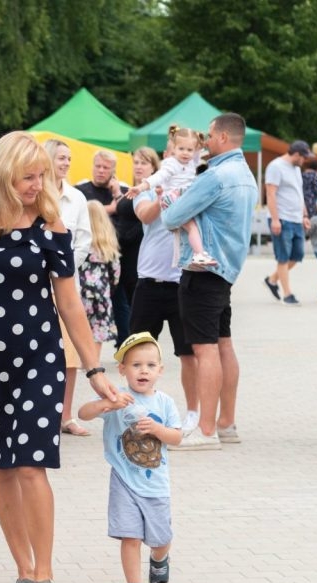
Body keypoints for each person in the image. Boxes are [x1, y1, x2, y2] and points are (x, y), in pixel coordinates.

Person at [0, 131, 121, 583]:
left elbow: (70, 304)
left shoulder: (49, 223)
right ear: (4, 173)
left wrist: (95, 368)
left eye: (41, 175)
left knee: (30, 464)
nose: (38, 183)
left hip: (38, 359)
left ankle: (45, 577)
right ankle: (22, 571)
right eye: (29, 176)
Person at [161, 113, 258, 451]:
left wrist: (172, 203)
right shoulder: (246, 175)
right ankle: (226, 423)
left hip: (203, 272)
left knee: (205, 351)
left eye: (209, 134)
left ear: (222, 137)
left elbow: (172, 216)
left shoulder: (216, 176)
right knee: (223, 344)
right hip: (226, 271)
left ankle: (204, 431)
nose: (204, 140)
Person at [78, 332, 182, 583]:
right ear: (122, 370)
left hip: (156, 485)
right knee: (130, 536)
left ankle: (160, 559)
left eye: (149, 365)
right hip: (123, 480)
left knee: (161, 539)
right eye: (135, 365)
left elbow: (177, 437)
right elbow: (83, 413)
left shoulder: (165, 403)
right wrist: (105, 404)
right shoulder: (117, 399)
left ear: (160, 370)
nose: (143, 370)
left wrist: (158, 430)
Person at [128, 146, 200, 433]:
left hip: (181, 281)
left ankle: (193, 412)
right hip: (149, 282)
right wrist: (163, 198)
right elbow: (145, 215)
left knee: (188, 352)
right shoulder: (147, 191)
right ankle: (135, 409)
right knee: (137, 351)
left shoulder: (190, 185)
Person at [44, 139, 94, 437]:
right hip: (35, 285)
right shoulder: (34, 195)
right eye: (61, 158)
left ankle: (65, 415)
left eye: (69, 158)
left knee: (70, 355)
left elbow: (84, 240)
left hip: (66, 283)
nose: (66, 163)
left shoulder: (76, 198)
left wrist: (63, 266)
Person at [77, 150, 142, 349]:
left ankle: (125, 344)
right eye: (98, 166)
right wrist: (111, 209)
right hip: (90, 259)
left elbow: (133, 221)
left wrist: (118, 196)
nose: (101, 171)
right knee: (88, 307)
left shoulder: (123, 191)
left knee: (122, 303)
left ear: (113, 171)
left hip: (120, 254)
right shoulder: (80, 191)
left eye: (106, 168)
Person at [127, 126, 217, 269]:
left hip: (183, 198)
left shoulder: (190, 163)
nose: (186, 153)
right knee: (192, 227)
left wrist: (203, 140)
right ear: (173, 150)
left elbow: (200, 151)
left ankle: (195, 255)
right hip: (173, 199)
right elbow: (158, 177)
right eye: (181, 149)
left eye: (189, 150)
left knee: (193, 225)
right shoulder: (171, 164)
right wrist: (141, 187)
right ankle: (199, 254)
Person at [263, 140, 313, 305]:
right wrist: (275, 219)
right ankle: (287, 294)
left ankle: (272, 279)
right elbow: (270, 194)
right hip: (282, 218)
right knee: (283, 257)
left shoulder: (296, 168)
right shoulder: (275, 167)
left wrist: (304, 215)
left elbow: (298, 193)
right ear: (297, 154)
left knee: (297, 255)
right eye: (303, 157)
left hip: (296, 218)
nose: (304, 161)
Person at [78, 201, 120, 365]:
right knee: (98, 327)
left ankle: (80, 359)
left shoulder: (80, 243)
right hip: (101, 292)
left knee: (80, 327)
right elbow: (115, 272)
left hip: (79, 291)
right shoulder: (106, 245)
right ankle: (92, 362)